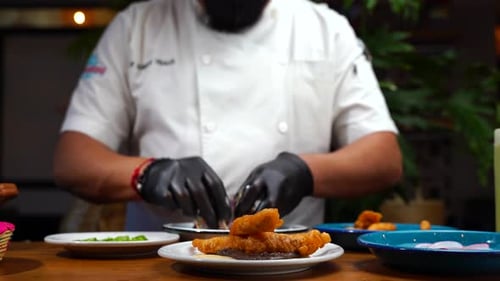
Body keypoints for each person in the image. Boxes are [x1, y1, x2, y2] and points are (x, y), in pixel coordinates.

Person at [53, 0, 402, 231]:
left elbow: (383, 158)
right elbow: (74, 160)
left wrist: (305, 172)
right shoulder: (137, 27)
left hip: (289, 265)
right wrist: (150, 173)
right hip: (160, 266)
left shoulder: (325, 30)